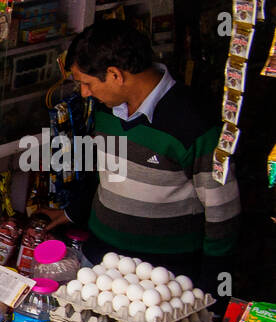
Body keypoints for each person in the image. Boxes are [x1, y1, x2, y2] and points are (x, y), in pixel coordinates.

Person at [53, 21, 241, 288]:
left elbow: (223, 213)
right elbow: (107, 173)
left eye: (87, 83)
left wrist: (214, 289)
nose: (84, 93)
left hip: (165, 279)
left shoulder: (195, 124)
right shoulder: (107, 110)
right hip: (99, 264)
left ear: (115, 75)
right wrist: (73, 212)